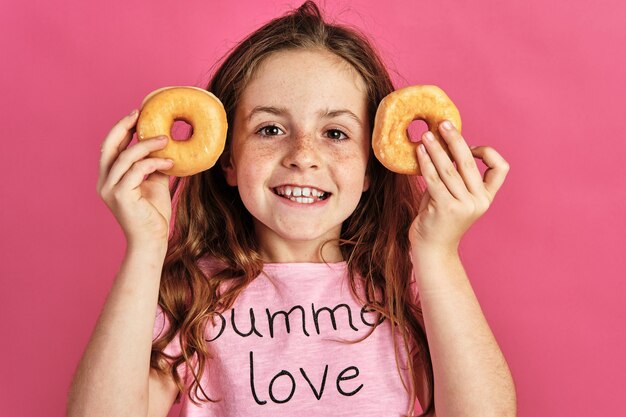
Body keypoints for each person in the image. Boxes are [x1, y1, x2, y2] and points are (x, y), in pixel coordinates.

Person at [67, 1, 515, 416]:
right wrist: (144, 247)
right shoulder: (192, 290)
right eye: (271, 128)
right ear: (228, 158)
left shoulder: (406, 281)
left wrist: (439, 254)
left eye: (335, 133)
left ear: (371, 167)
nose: (303, 154)